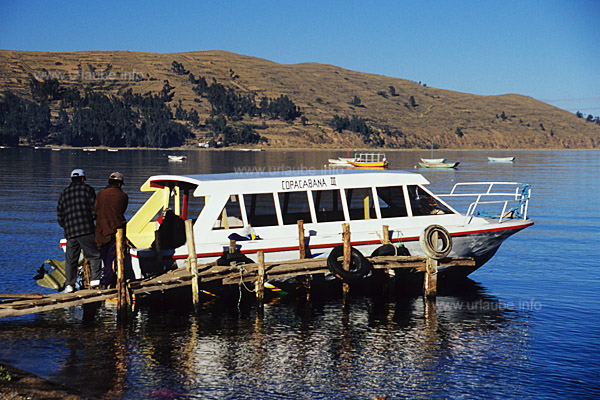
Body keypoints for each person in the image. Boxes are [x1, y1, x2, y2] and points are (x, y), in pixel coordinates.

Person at [57, 169, 102, 292]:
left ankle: (69, 285)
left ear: (71, 179)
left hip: (70, 232)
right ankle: (95, 280)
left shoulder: (64, 193)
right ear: (83, 179)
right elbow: (95, 209)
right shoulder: (88, 190)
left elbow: (60, 214)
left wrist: (66, 225)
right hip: (86, 229)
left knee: (71, 259)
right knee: (94, 255)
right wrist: (91, 220)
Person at [95, 172, 128, 288]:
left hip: (101, 231)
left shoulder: (100, 194)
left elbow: (96, 209)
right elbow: (122, 210)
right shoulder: (123, 196)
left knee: (105, 257)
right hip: (116, 230)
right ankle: (105, 282)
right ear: (119, 184)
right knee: (113, 258)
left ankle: (108, 280)